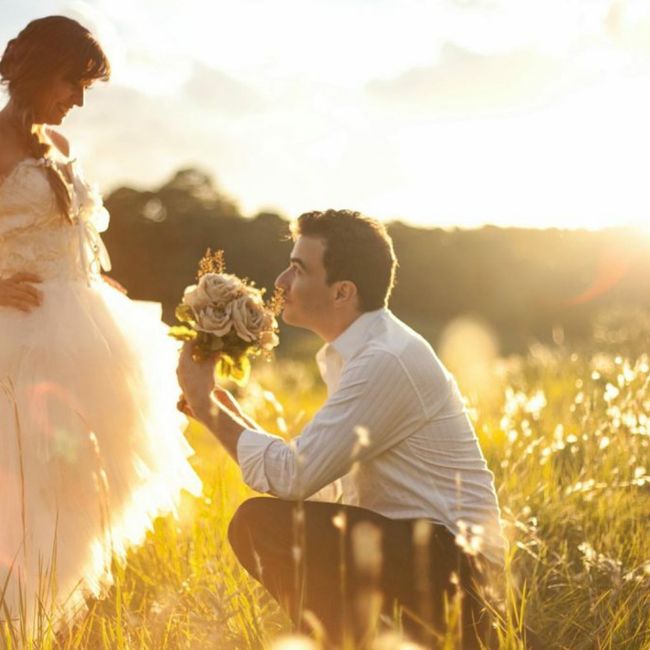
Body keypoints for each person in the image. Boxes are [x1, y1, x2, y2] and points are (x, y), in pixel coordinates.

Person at [177, 209, 506, 648]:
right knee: (280, 525)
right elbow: (322, 488)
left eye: (297, 268)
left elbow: (294, 476)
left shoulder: (384, 359)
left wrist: (204, 403)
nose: (280, 281)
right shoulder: (350, 354)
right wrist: (220, 410)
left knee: (260, 524)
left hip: (460, 576)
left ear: (342, 292)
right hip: (414, 554)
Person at [0, 16, 201, 632]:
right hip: (20, 335)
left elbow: (77, 246)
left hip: (85, 333)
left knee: (77, 498)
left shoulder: (59, 147)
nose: (79, 100)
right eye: (72, 80)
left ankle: (46, 625)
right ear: (35, 68)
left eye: (88, 87)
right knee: (20, 492)